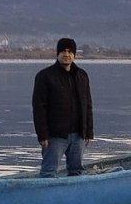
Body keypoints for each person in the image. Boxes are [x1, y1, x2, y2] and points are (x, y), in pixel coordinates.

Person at [31, 37, 94, 177]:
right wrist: (42, 135)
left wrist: (88, 131)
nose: (67, 54)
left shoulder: (82, 76)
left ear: (74, 55)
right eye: (63, 51)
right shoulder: (45, 76)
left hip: (78, 135)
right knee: (48, 172)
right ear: (57, 53)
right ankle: (44, 197)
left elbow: (88, 104)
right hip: (55, 136)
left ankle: (73, 198)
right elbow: (39, 108)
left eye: (70, 51)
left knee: (76, 172)